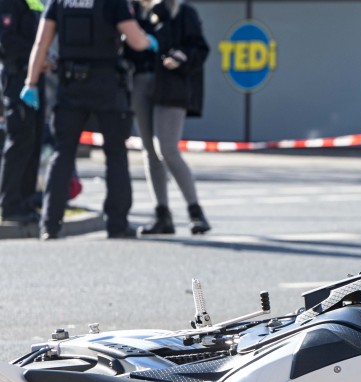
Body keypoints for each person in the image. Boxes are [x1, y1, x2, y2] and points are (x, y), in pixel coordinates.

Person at [20, 0, 159, 240]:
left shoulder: (59, 2)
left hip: (70, 85)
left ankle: (50, 225)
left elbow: (41, 43)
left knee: (62, 153)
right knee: (115, 153)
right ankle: (117, 225)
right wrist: (150, 42)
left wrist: (30, 83)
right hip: (107, 86)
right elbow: (136, 41)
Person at [127, 0, 209, 235]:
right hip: (140, 82)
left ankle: (196, 212)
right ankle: (162, 214)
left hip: (171, 84)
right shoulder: (132, 11)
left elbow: (200, 48)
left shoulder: (182, 11)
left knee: (167, 149)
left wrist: (181, 56)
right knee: (149, 150)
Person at [0, 0, 43, 225]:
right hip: (18, 78)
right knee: (19, 140)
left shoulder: (33, 2)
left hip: (35, 78)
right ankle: (10, 205)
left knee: (33, 141)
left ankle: (26, 202)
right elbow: (7, 42)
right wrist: (39, 54)